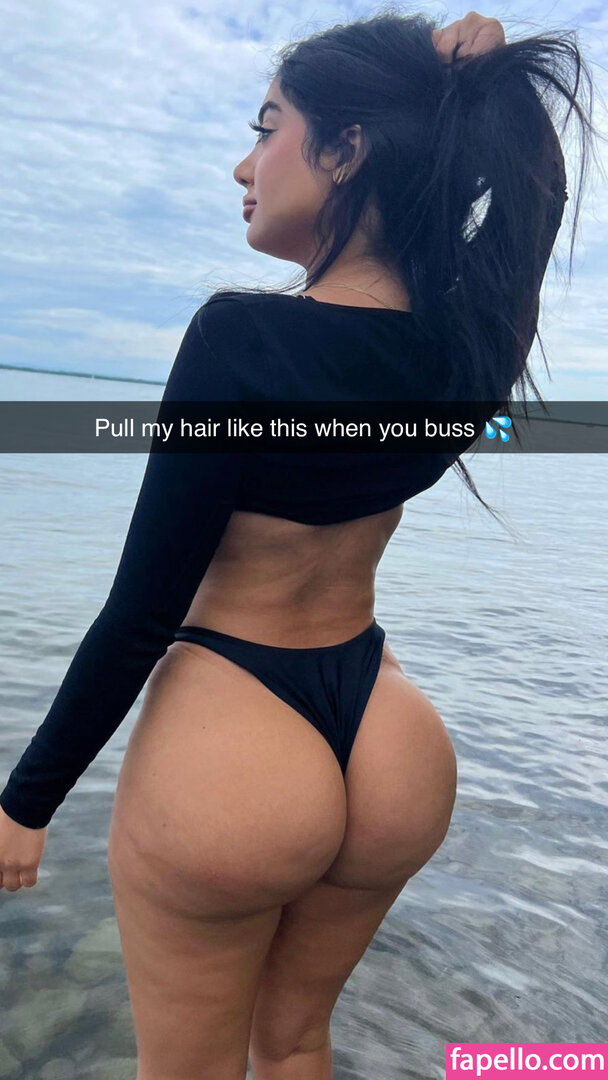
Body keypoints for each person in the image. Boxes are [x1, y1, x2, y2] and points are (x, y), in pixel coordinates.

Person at [0, 9, 594, 1080]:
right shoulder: (463, 347)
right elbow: (532, 210)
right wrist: (489, 79)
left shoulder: (241, 337)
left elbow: (143, 608)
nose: (245, 165)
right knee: (296, 1043)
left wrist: (26, 801)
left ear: (347, 147)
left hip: (236, 732)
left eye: (266, 127)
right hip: (390, 736)